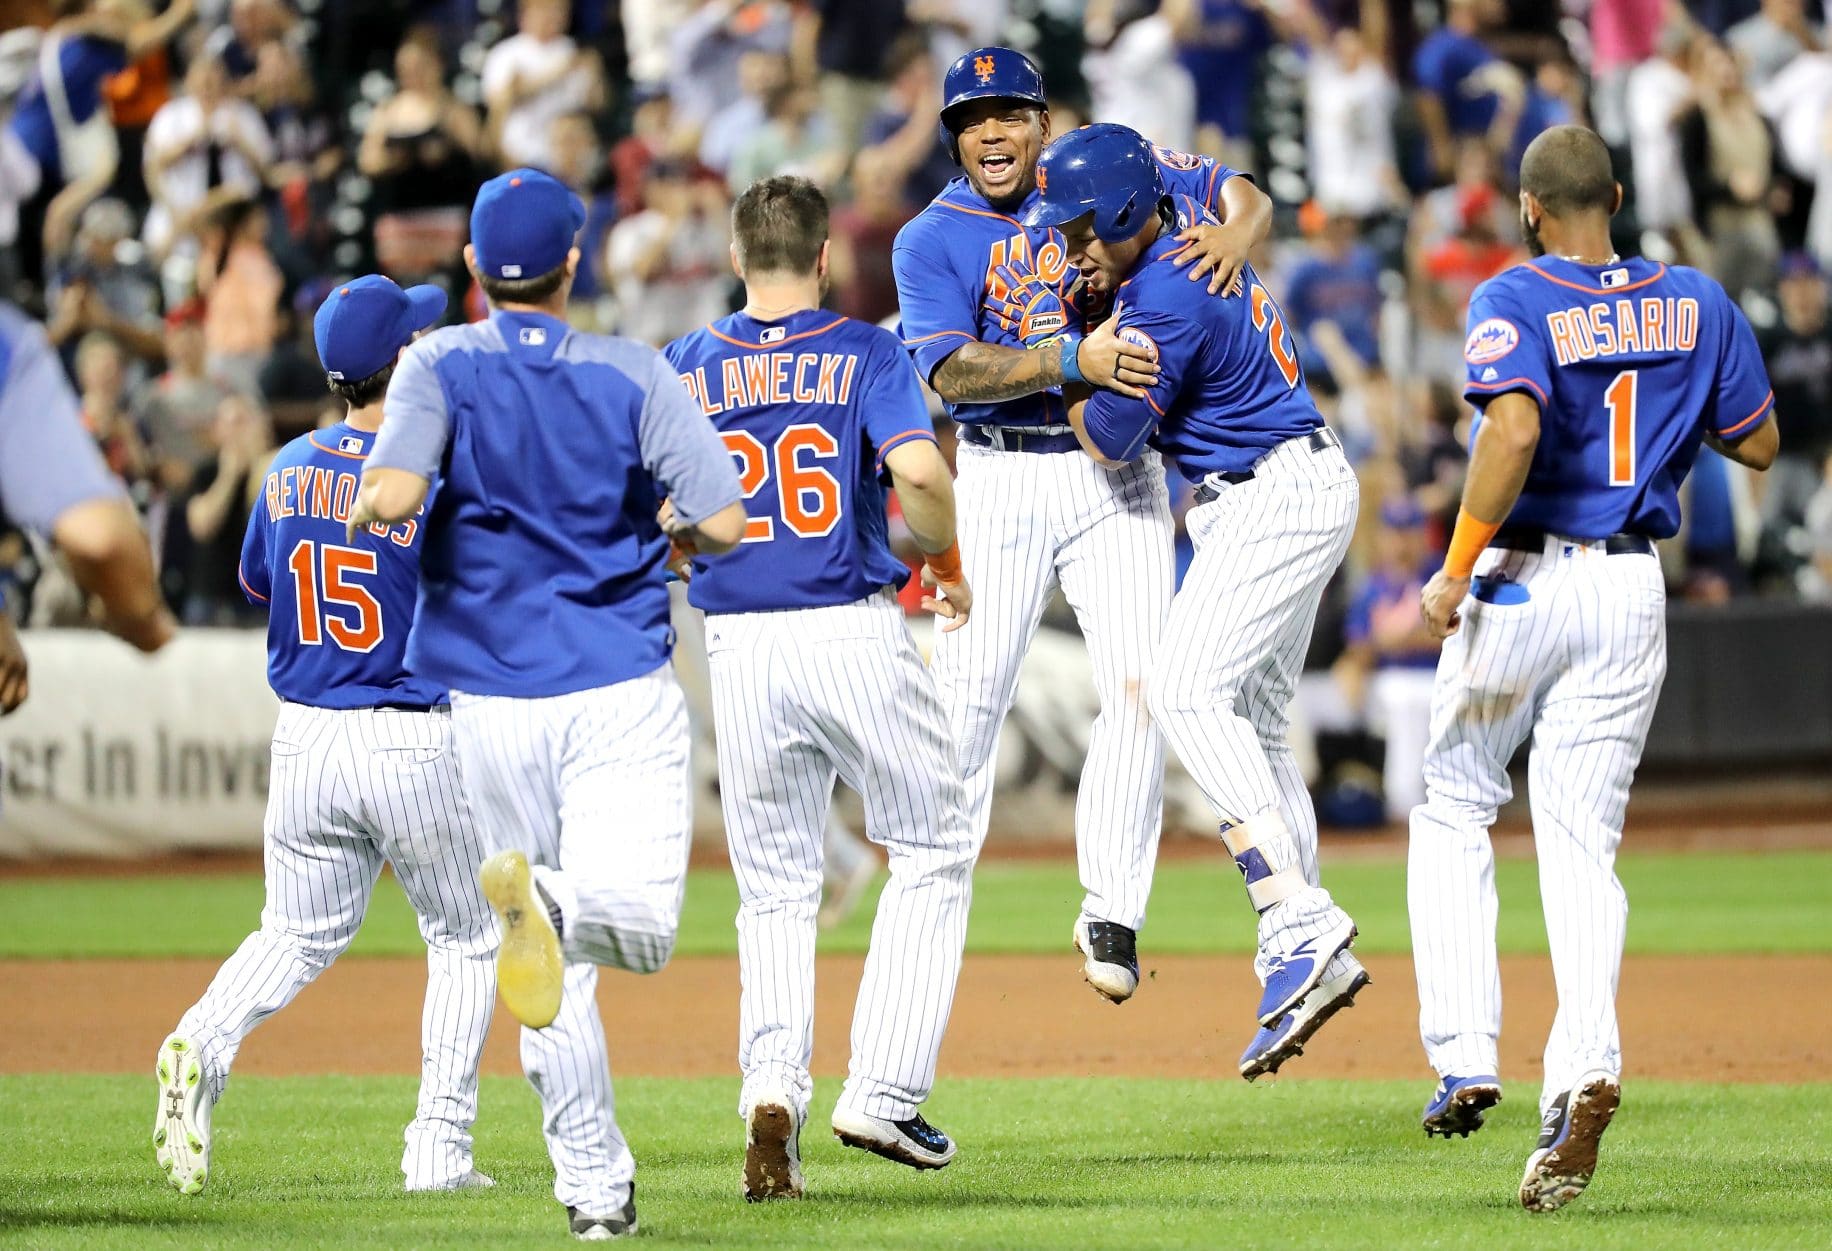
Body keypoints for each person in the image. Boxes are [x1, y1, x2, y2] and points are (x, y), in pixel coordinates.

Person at [350, 167, 747, 1240]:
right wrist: (657, 511)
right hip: (613, 683)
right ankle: (556, 909)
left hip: (487, 704)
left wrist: (434, 499)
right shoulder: (633, 372)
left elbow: (384, 499)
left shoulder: (435, 362)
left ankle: (594, 1189)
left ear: (473, 267)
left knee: (544, 973)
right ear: (574, 262)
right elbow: (726, 525)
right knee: (636, 933)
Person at [1409, 124, 1778, 1211]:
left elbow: (1511, 430)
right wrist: (1658, 392)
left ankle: (1464, 1050)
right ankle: (1582, 1069)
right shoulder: (1699, 299)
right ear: (1613, 194)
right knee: (1578, 842)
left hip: (1521, 576)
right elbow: (1755, 442)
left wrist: (1448, 569)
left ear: (1529, 208)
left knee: (1451, 800)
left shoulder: (1512, 294)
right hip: (1629, 587)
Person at [890, 45, 1273, 1008]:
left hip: (1120, 474)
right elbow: (950, 374)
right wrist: (1072, 357)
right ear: (952, 136)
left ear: (1042, 121)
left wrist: (1241, 233)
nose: (990, 131)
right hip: (1002, 474)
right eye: (971, 118)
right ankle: (926, 887)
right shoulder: (929, 239)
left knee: (1141, 687)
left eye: (1009, 112)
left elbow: (1240, 190)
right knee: (969, 705)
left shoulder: (1107, 165)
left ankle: (1113, 906)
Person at [1024, 123, 1370, 1082]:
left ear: (1131, 213)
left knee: (1181, 691)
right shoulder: (1174, 218)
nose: (1071, 241)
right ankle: (1311, 947)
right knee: (1252, 722)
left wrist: (1070, 355)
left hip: (1269, 493)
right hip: (1285, 482)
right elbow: (1237, 190)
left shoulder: (1165, 296)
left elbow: (1111, 438)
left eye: (1085, 226)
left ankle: (1298, 918)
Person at [152, 275, 498, 1198]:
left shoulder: (290, 462)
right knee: (465, 937)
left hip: (304, 736)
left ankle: (201, 1036)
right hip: (408, 734)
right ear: (404, 361)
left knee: (293, 932)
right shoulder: (429, 470)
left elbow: (264, 585)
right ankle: (438, 1151)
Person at [664, 175, 975, 1197]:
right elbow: (921, 478)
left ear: (733, 252)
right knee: (930, 844)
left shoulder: (686, 364)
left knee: (774, 891)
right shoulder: (862, 350)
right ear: (826, 256)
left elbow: (651, 509)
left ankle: (771, 1092)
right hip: (846, 625)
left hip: (739, 646)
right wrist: (940, 556)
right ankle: (881, 1088)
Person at [0, 300, 174, 714]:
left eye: (113, 368)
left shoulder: (132, 420)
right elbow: (101, 540)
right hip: (66, 558)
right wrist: (146, 623)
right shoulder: (12, 346)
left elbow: (153, 481)